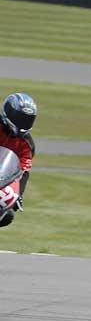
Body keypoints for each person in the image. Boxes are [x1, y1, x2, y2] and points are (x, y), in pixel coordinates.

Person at [0, 93, 37, 228]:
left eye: (27, 120)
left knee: (6, 214)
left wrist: (18, 195)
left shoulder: (27, 144)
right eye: (19, 118)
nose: (23, 123)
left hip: (1, 179)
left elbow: (24, 171)